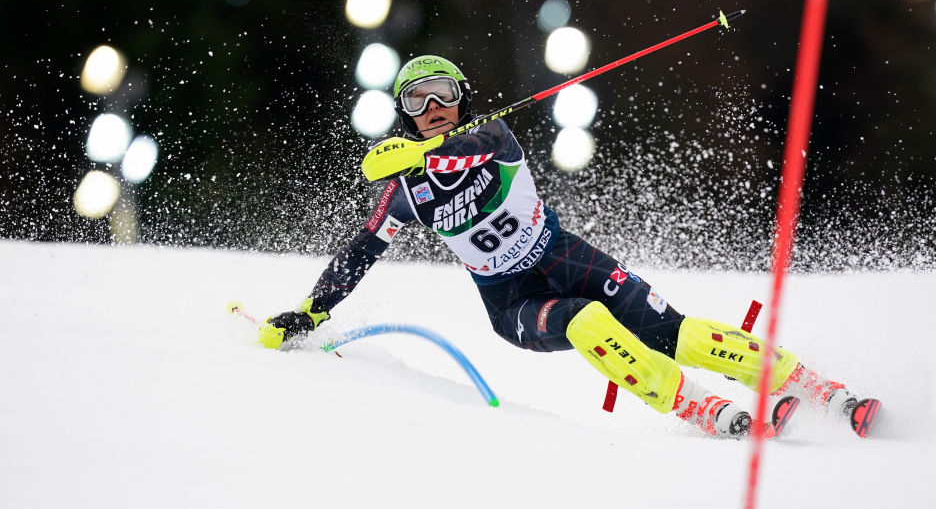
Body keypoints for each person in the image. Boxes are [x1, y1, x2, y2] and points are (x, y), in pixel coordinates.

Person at [258, 55, 870, 437]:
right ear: (403, 112)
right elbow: (359, 253)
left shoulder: (492, 136)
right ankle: (694, 406)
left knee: (675, 331)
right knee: (587, 323)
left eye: (444, 92)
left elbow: (475, 147)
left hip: (564, 256)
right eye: (417, 100)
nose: (434, 107)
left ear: (462, 97)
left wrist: (418, 153)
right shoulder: (405, 195)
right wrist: (313, 310)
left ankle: (817, 388)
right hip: (513, 302)